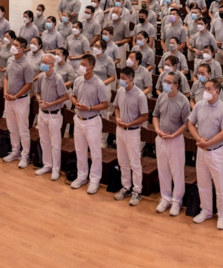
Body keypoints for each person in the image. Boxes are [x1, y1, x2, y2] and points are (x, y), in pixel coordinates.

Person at [187, 78, 223, 230]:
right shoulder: (199, 105)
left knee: (220, 185)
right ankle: (206, 210)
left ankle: (222, 215)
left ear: (217, 92)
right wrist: (199, 139)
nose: (205, 91)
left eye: (208, 89)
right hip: (202, 149)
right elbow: (190, 124)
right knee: (203, 182)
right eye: (205, 88)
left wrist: (209, 142)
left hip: (217, 151)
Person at [152, 72, 191, 216]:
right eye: (164, 81)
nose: (165, 83)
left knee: (177, 171)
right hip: (161, 138)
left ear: (176, 85)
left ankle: (177, 200)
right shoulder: (161, 97)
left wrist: (175, 135)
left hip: (175, 139)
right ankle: (165, 197)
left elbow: (187, 123)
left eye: (169, 82)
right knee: (163, 169)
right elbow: (155, 115)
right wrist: (157, 130)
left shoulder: (183, 102)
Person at [69, 54, 109, 194]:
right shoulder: (78, 80)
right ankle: (82, 176)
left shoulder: (99, 84)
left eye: (84, 64)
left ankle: (94, 180)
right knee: (80, 150)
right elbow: (73, 96)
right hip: (78, 119)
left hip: (92, 121)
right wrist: (75, 103)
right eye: (81, 64)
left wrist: (90, 108)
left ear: (91, 67)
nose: (81, 67)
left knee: (95, 152)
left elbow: (105, 104)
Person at [112, 67, 150, 206]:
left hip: (133, 131)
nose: (121, 80)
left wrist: (130, 124)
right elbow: (116, 107)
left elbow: (145, 116)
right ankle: (126, 186)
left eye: (123, 78)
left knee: (134, 162)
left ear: (130, 79)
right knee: (122, 161)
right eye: (120, 77)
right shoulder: (120, 91)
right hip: (120, 129)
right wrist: (117, 118)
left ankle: (137, 190)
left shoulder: (140, 95)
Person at [1, 38, 36, 168]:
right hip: (8, 99)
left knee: (23, 129)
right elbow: (5, 77)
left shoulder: (27, 65)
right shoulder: (10, 60)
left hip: (20, 100)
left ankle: (25, 156)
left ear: (22, 49)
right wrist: (5, 92)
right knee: (12, 127)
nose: (13, 46)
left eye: (16, 45)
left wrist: (16, 96)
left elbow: (29, 84)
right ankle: (15, 151)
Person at [33, 53, 68, 180]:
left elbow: (65, 97)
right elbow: (37, 92)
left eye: (46, 62)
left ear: (52, 65)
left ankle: (56, 169)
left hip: (54, 114)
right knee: (44, 140)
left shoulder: (58, 78)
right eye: (43, 61)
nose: (43, 64)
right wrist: (39, 100)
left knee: (55, 143)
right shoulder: (42, 77)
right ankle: (47, 164)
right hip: (42, 113)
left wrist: (51, 104)